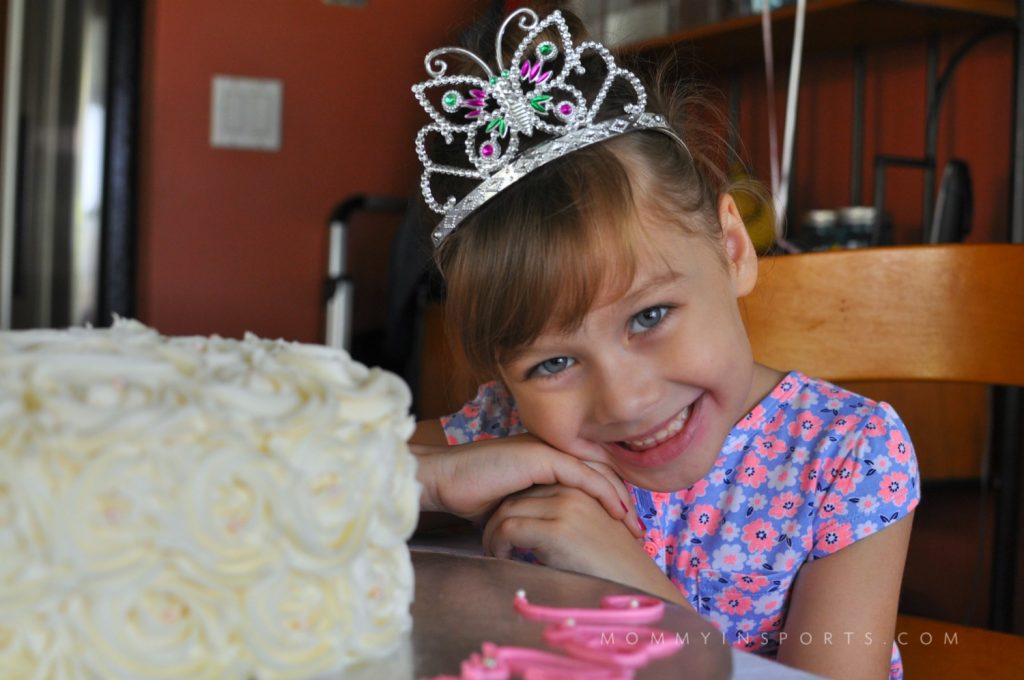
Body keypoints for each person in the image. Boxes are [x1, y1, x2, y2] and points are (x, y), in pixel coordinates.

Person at [409, 8, 919, 679]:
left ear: (732, 248)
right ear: (504, 375)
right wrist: (429, 479)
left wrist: (641, 596)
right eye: (553, 362)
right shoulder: (505, 437)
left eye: (649, 317)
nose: (625, 400)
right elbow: (256, 503)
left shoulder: (845, 460)